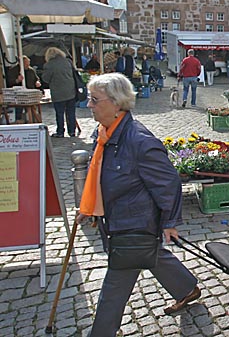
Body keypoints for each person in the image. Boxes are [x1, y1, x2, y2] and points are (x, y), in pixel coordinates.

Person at [76, 73, 199, 337]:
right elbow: (99, 177)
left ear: (116, 103)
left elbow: (169, 183)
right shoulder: (105, 134)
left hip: (132, 225)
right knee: (151, 254)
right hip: (120, 221)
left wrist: (169, 223)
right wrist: (88, 208)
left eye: (95, 100)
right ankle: (187, 288)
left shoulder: (139, 141)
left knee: (115, 285)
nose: (89, 105)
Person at [42, 47, 76, 137]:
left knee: (59, 113)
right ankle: (72, 131)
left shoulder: (49, 65)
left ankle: (60, 132)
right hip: (71, 91)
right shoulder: (68, 61)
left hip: (58, 92)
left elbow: (45, 79)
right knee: (71, 112)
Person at [6, 55, 42, 121]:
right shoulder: (13, 70)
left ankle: (34, 121)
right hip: (19, 95)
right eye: (25, 64)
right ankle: (18, 120)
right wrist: (17, 80)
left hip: (30, 94)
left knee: (33, 109)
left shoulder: (31, 70)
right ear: (20, 63)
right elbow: (9, 82)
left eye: (28, 63)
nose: (27, 65)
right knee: (19, 108)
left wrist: (37, 82)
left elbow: (36, 79)